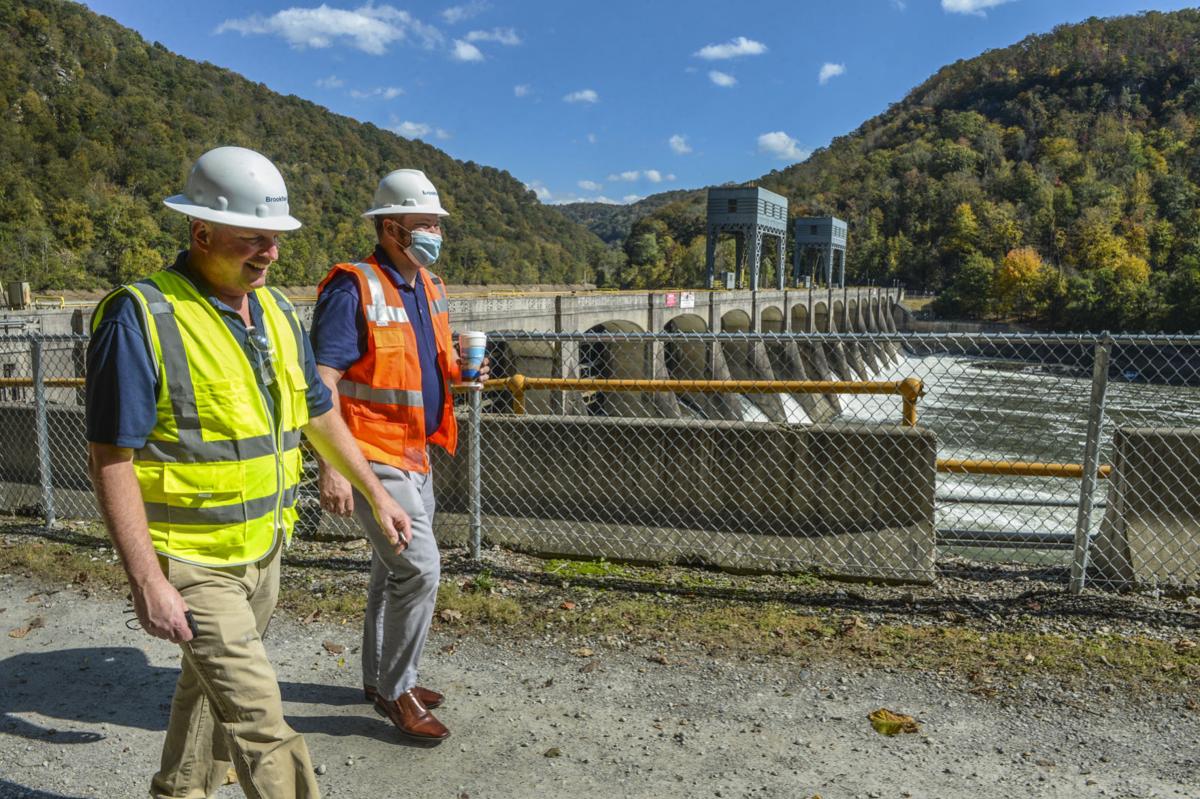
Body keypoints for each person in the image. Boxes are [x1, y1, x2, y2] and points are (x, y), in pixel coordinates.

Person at [86, 146, 413, 799]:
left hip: (263, 551)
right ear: (200, 232)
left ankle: (178, 791)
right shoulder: (141, 316)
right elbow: (111, 457)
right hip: (190, 560)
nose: (268, 253)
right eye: (251, 239)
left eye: (275, 238)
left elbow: (316, 413)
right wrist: (146, 579)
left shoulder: (277, 314)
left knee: (206, 690)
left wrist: (376, 491)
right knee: (262, 722)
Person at [309, 168, 485, 743]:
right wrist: (330, 466)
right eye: (425, 223)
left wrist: (463, 372)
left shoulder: (428, 285)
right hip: (370, 453)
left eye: (437, 223)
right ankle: (398, 690)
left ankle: (377, 678)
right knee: (420, 568)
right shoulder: (351, 288)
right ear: (391, 228)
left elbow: (423, 364)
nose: (436, 232)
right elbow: (322, 381)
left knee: (391, 569)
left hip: (416, 450)